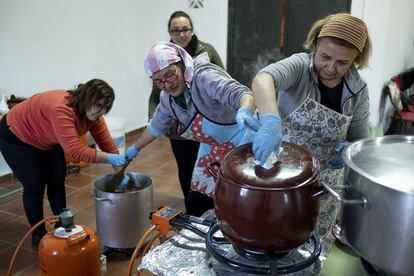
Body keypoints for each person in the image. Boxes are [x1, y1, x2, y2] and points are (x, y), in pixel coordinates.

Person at [238, 13, 371, 240]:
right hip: (283, 172)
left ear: (355, 60)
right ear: (316, 43)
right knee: (278, 233)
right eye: (325, 57)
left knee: (315, 240)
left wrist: (349, 150)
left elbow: (360, 142)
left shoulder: (358, 90)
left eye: (342, 63)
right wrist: (271, 121)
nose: (330, 68)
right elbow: (264, 79)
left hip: (325, 183)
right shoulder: (300, 66)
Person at [128, 42, 255, 216]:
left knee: (238, 204)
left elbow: (242, 94)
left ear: (181, 64)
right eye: (159, 81)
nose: (167, 84)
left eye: (170, 75)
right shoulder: (168, 100)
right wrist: (134, 149)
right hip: (212, 148)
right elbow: (156, 126)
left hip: (243, 141)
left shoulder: (203, 77)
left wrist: (245, 111)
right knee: (197, 202)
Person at [0, 79, 127, 247]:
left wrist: (120, 172)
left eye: (106, 108)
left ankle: (63, 222)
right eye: (99, 105)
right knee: (35, 183)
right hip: (17, 136)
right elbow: (75, 150)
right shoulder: (62, 109)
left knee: (58, 175)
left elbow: (106, 142)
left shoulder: (94, 115)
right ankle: (38, 234)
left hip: (45, 138)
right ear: (87, 99)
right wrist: (110, 159)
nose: (102, 111)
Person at [147, 11, 225, 212]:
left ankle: (214, 206)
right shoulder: (162, 57)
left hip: (207, 124)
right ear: (169, 32)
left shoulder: (206, 51)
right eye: (176, 30)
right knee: (185, 167)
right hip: (178, 127)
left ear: (191, 30)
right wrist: (154, 120)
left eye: (185, 29)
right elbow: (156, 94)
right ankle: (191, 206)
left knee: (209, 167)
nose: (181, 34)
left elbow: (223, 81)